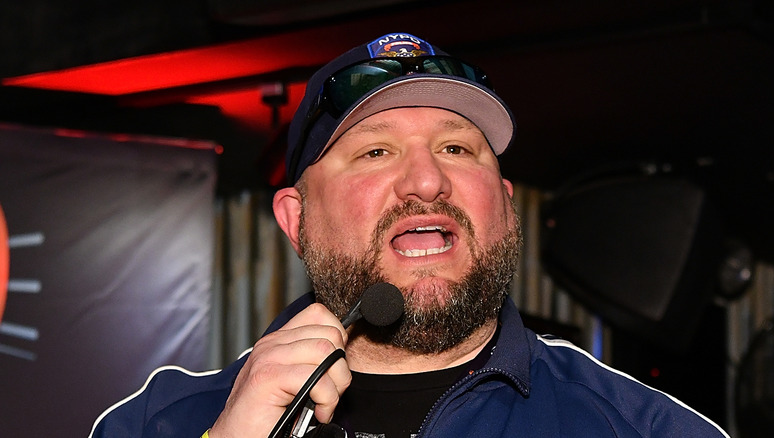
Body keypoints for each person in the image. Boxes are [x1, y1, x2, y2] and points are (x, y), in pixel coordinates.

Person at [90, 32, 730, 438]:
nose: (426, 181)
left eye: (457, 148)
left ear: (506, 208)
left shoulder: (642, 428)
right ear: (296, 220)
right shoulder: (157, 423)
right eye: (374, 153)